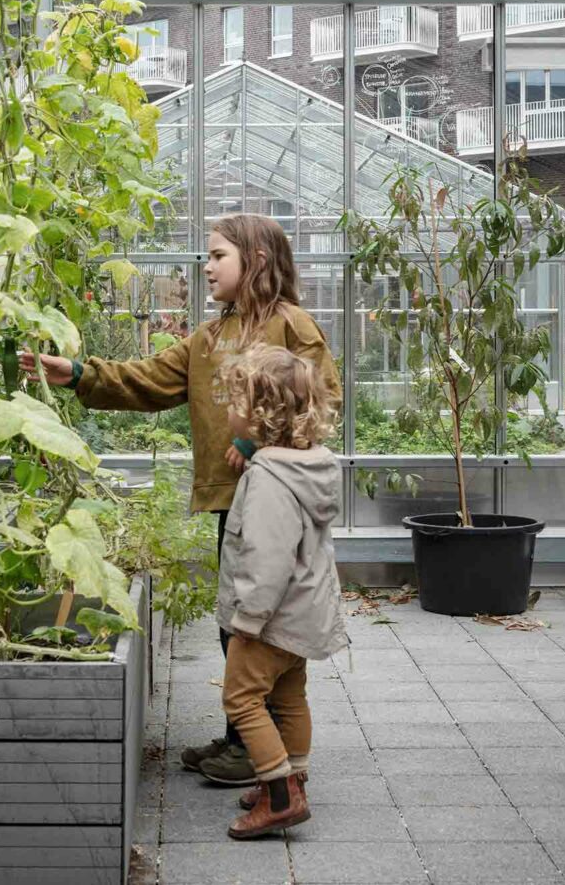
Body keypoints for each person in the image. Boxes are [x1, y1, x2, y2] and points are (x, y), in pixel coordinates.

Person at [20, 213, 341, 784]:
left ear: (257, 262)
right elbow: (149, 379)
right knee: (237, 619)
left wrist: (253, 438)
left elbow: (321, 397)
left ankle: (257, 747)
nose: (208, 265)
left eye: (218, 255)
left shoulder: (293, 326)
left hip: (280, 500)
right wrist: (76, 373)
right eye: (208, 256)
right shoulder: (210, 337)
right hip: (232, 499)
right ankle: (251, 738)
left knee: (261, 621)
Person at [216, 343, 347, 839]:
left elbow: (266, 561)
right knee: (290, 698)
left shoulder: (269, 480)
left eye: (235, 402)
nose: (228, 411)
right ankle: (292, 779)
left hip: (270, 619)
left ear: (261, 416)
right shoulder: (306, 465)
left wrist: (247, 621)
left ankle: (278, 797)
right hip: (302, 615)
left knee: (242, 698)